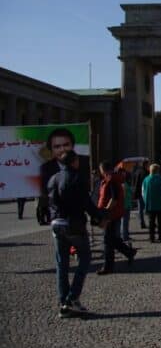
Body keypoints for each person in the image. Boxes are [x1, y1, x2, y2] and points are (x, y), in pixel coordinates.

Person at [48, 150, 107, 318]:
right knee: (85, 258)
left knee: (62, 264)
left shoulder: (54, 178)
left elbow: (48, 202)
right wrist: (98, 217)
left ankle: (64, 303)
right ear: (74, 162)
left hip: (56, 224)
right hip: (73, 224)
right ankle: (72, 298)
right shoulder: (77, 178)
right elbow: (86, 203)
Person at [39, 127, 91, 226]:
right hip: (72, 221)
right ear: (51, 150)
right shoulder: (46, 169)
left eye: (66, 145)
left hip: (58, 221)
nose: (62, 149)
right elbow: (85, 200)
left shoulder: (86, 162)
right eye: (57, 146)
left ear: (73, 146)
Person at [96, 161, 137, 275]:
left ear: (103, 170)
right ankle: (129, 252)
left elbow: (114, 199)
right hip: (114, 213)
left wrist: (105, 213)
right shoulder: (112, 179)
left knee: (107, 241)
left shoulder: (111, 180)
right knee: (112, 239)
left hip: (111, 214)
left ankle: (108, 266)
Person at [142, 163, 161, 243]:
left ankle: (151, 237)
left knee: (151, 222)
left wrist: (145, 200)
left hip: (150, 204)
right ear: (157, 170)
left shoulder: (146, 179)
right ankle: (160, 237)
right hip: (160, 203)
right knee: (160, 221)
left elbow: (143, 192)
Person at [131, 160, 149, 229]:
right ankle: (150, 221)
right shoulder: (145, 172)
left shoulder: (137, 172)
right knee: (147, 208)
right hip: (144, 192)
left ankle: (142, 222)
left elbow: (134, 182)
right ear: (145, 165)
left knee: (140, 209)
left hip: (138, 192)